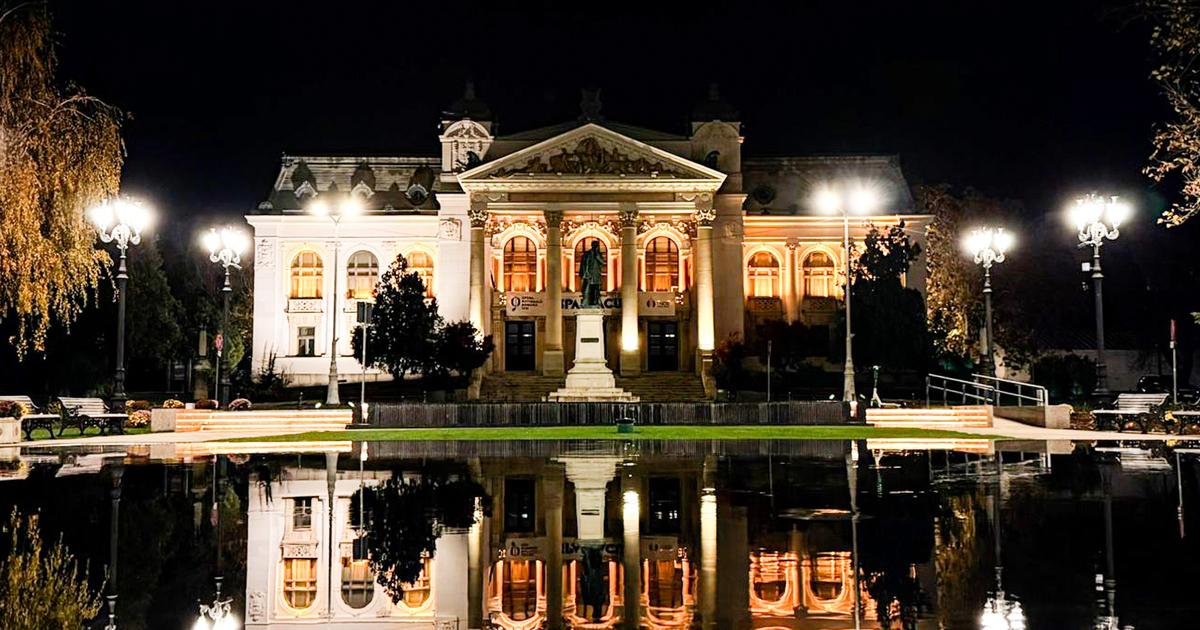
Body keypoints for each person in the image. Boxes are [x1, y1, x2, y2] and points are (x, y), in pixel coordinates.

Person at [579, 240, 604, 307]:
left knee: (596, 290)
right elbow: (583, 264)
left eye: (597, 245)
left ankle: (596, 303)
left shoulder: (599, 254)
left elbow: (602, 262)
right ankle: (585, 303)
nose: (596, 247)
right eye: (595, 245)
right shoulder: (587, 254)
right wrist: (584, 273)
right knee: (586, 289)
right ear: (592, 245)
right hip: (588, 275)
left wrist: (597, 255)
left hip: (596, 275)